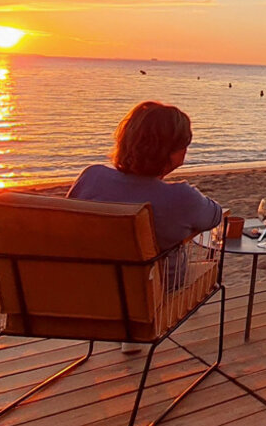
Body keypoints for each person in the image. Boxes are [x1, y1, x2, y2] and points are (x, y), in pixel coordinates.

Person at [68, 101, 222, 293]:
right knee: (213, 278)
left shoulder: (92, 176)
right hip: (151, 294)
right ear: (173, 152)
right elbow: (216, 215)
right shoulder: (180, 197)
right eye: (184, 144)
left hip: (87, 288)